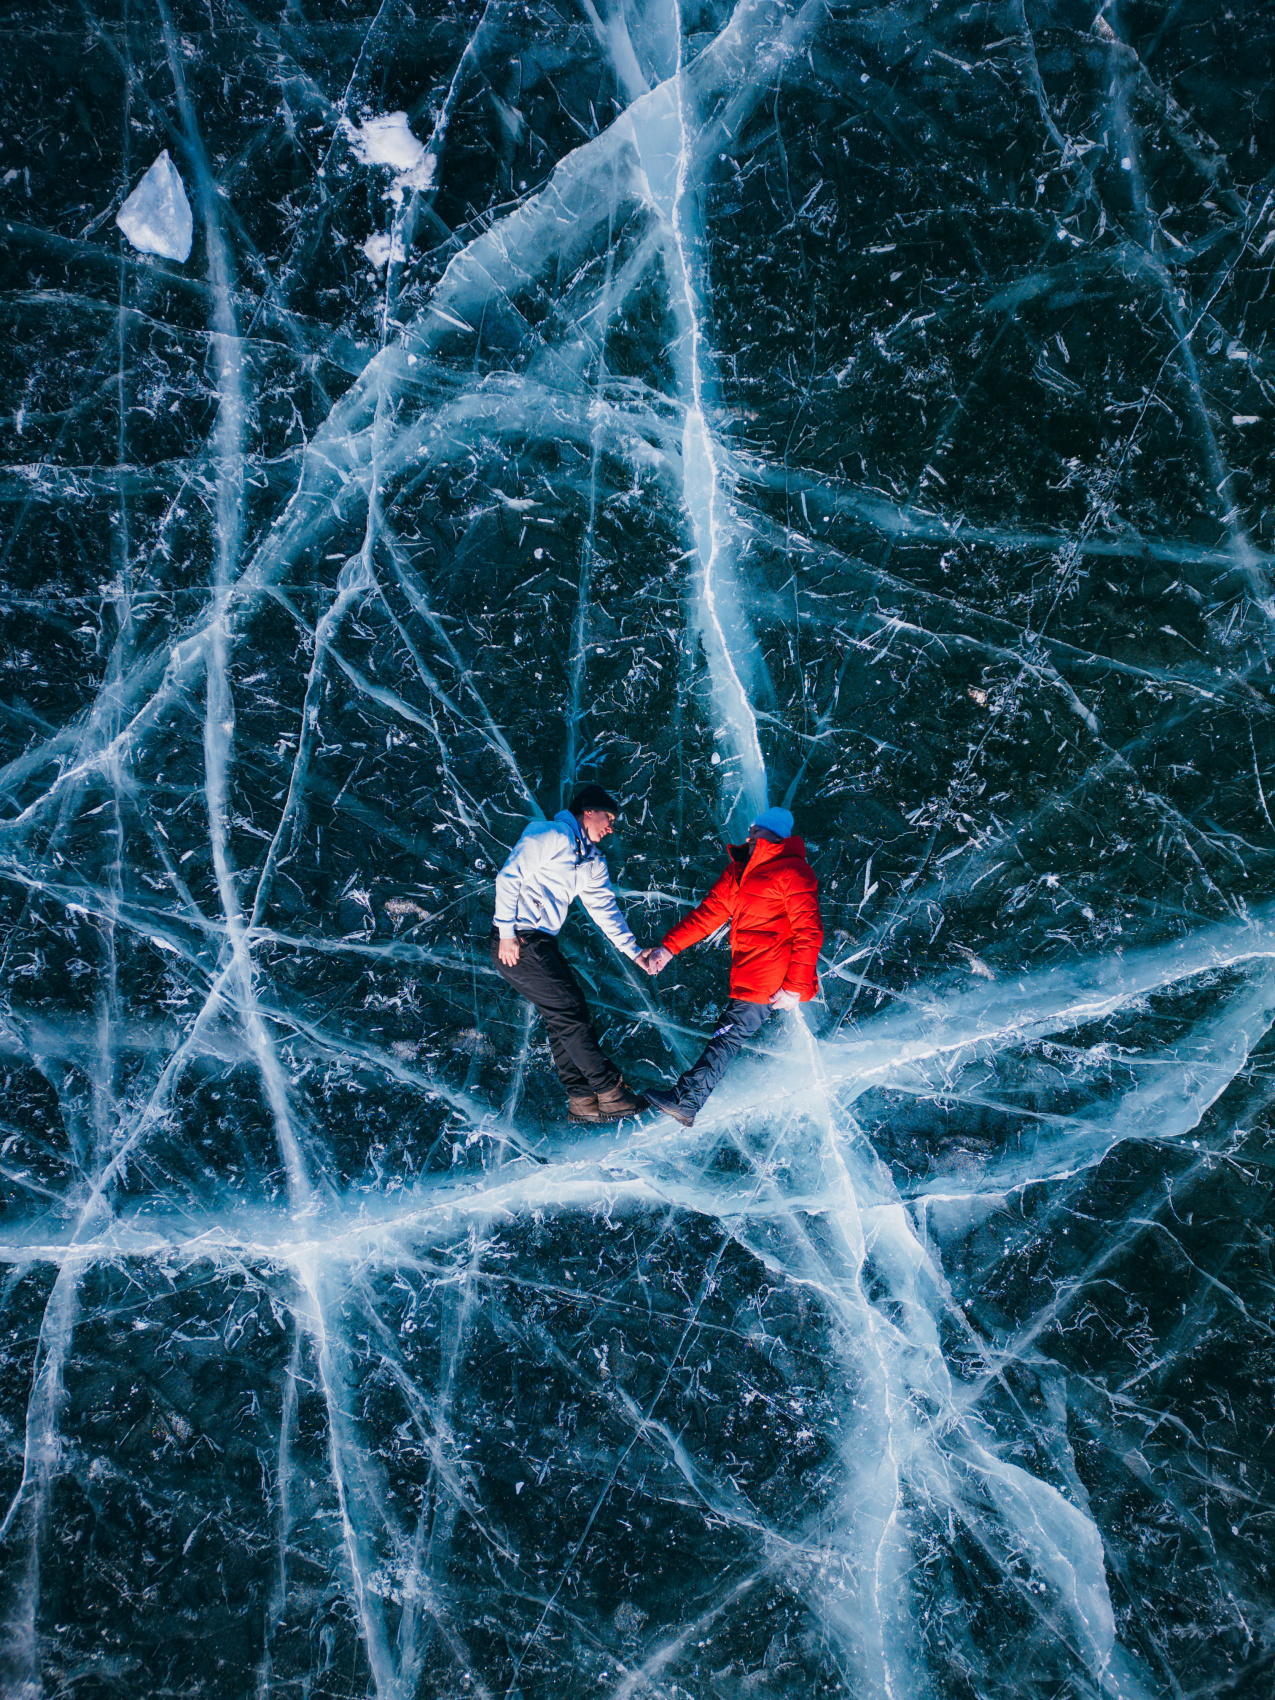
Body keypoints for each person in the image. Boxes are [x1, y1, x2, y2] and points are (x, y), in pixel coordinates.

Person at [639, 806, 823, 1126]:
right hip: (748, 972)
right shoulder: (740, 869)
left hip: (769, 976)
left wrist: (794, 986)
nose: (750, 833)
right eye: (751, 829)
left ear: (775, 834)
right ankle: (687, 1100)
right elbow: (708, 914)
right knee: (727, 1036)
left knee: (728, 1036)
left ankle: (688, 1101)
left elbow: (810, 933)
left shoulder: (792, 871)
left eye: (758, 830)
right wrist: (668, 949)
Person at [491, 784, 651, 1123]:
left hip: (540, 943)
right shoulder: (550, 835)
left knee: (563, 1015)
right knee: (569, 1011)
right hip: (518, 939)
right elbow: (508, 879)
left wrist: (634, 951)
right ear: (587, 811)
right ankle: (609, 1092)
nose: (611, 827)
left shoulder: (592, 862)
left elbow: (605, 909)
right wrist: (506, 933)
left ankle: (581, 1099)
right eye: (607, 817)